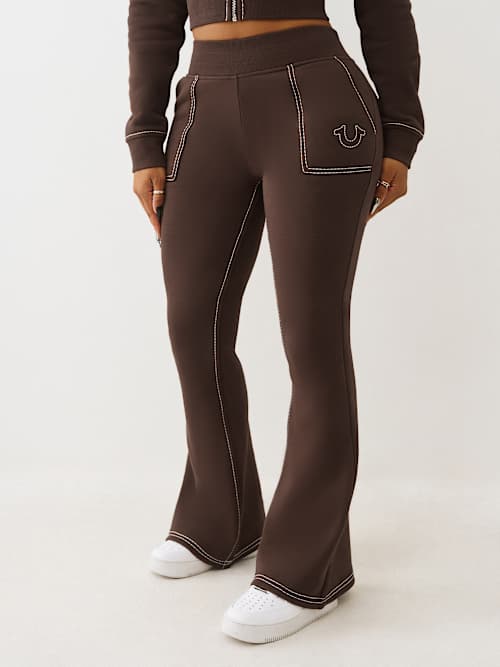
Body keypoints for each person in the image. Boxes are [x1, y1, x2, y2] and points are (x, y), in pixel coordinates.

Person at [124, 0, 424, 645]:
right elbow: (152, 12)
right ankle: (222, 520)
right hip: (202, 107)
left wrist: (402, 129)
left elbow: (385, 8)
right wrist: (144, 136)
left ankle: (309, 571)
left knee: (312, 338)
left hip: (315, 99)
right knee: (191, 324)